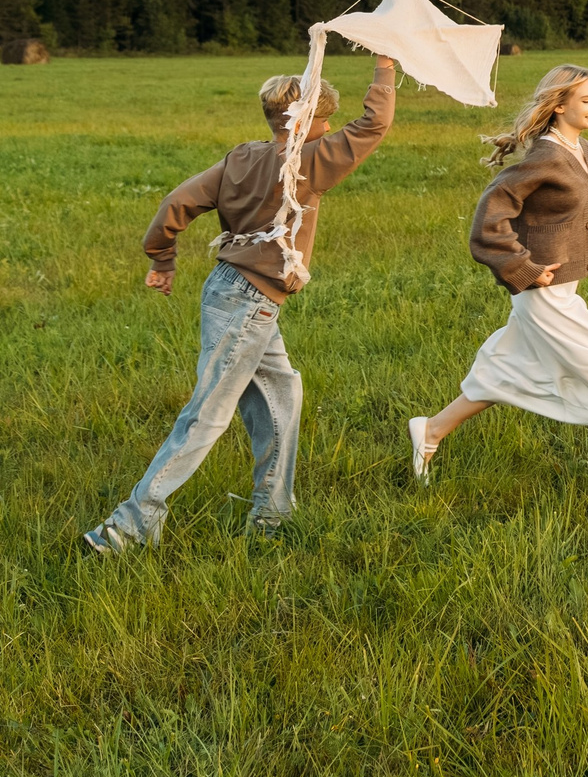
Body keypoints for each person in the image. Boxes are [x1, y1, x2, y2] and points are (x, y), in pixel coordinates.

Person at [84, 56, 399, 553]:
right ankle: (127, 527)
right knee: (207, 414)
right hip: (249, 303)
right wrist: (384, 67)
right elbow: (375, 123)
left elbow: (176, 203)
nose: (332, 128)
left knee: (284, 397)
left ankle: (272, 515)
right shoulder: (306, 160)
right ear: (306, 122)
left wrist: (162, 259)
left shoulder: (241, 157)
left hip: (231, 291)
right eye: (325, 120)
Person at [407, 64, 588, 484]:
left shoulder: (584, 151)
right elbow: (490, 216)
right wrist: (523, 268)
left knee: (504, 371)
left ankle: (430, 431)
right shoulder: (546, 156)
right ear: (559, 106)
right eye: (587, 99)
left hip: (559, 291)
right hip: (543, 294)